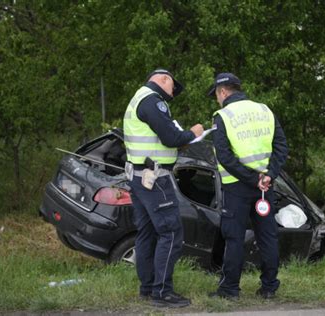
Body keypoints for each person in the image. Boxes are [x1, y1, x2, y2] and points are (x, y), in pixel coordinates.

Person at [123, 69, 204, 308]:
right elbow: (170, 137)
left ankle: (148, 288)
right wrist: (193, 133)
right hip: (155, 179)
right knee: (170, 234)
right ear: (164, 80)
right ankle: (162, 292)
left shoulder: (138, 99)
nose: (172, 95)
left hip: (139, 178)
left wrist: (179, 144)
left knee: (146, 234)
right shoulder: (152, 101)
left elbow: (157, 140)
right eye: (172, 89)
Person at [208, 73, 288, 300]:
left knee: (234, 238)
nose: (217, 100)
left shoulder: (222, 116)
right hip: (265, 187)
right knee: (268, 237)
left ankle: (229, 290)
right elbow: (281, 147)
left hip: (237, 186)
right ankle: (269, 287)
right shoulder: (265, 110)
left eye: (216, 95)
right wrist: (269, 175)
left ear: (222, 91)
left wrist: (252, 178)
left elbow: (225, 157)